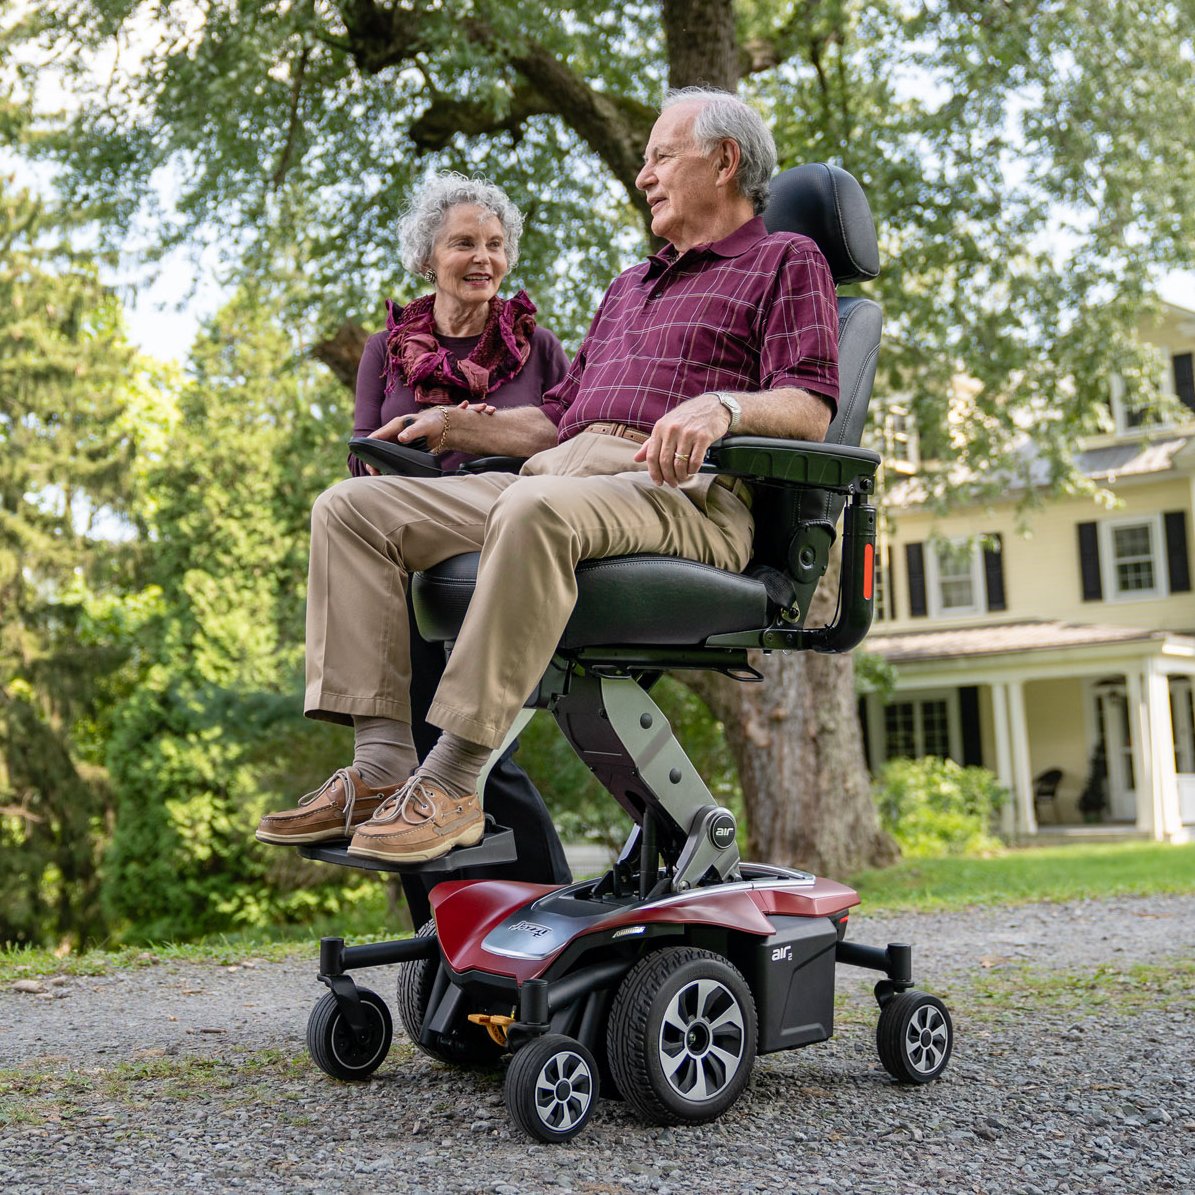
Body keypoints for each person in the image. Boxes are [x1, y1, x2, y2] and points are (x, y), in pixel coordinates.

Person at [257, 86, 839, 866]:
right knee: (351, 509)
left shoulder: (784, 261)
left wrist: (722, 410)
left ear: (724, 161)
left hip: (682, 491)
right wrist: (457, 424)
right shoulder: (632, 284)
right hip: (563, 468)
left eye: (661, 156)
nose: (644, 176)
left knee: (533, 508)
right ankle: (381, 764)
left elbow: (810, 406)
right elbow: (556, 416)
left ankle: (455, 778)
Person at [257, 174, 572, 914]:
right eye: (464, 242)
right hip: (402, 546)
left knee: (476, 756)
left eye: (494, 244)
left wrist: (475, 433)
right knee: (423, 754)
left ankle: (540, 917)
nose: (483, 258)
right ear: (426, 257)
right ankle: (448, 934)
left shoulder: (541, 348)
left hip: (507, 532)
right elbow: (363, 456)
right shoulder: (385, 350)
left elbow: (566, 438)